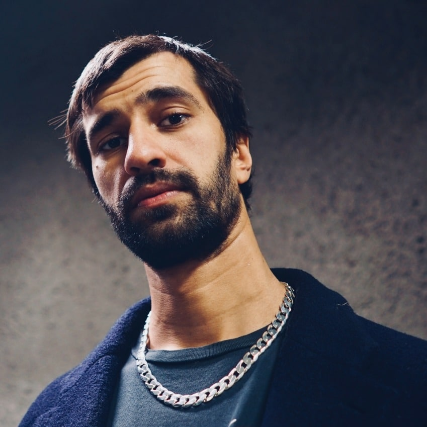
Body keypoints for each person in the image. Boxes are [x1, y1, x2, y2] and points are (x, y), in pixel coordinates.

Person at [20, 35, 426, 427]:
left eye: (172, 118)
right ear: (98, 190)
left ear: (239, 154)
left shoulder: (412, 383)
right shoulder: (47, 417)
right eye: (110, 142)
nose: (139, 154)